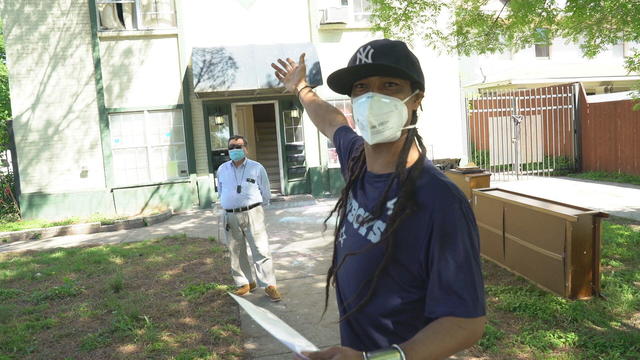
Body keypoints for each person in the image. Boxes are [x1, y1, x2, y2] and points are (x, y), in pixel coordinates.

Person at [271, 39, 486, 359]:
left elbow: (465, 323)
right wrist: (301, 87)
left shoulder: (439, 201)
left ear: (416, 99)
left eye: (389, 85)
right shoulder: (357, 159)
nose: (372, 98)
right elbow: (331, 121)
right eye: (361, 88)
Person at [217, 135, 282, 302]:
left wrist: (256, 208)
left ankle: (269, 285)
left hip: (253, 213)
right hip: (230, 215)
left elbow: (266, 193)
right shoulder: (222, 169)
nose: (235, 150)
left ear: (246, 148)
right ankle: (245, 283)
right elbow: (221, 192)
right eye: (231, 147)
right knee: (235, 251)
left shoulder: (257, 168)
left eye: (238, 146)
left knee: (261, 249)